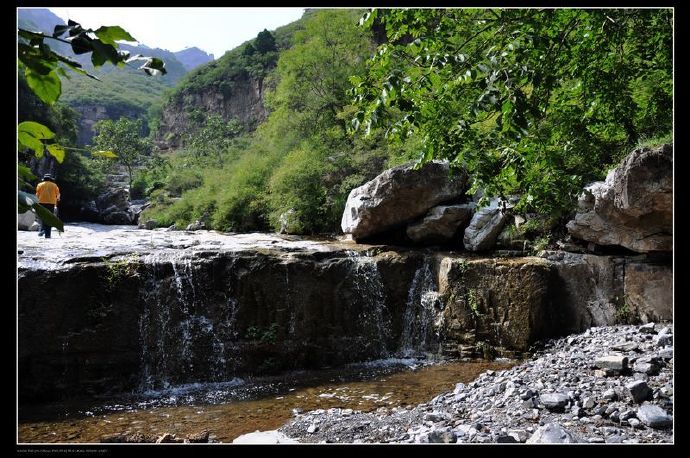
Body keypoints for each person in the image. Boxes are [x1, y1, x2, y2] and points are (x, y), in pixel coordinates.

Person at [35, 173, 60, 238]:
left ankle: (42, 229)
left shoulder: (39, 185)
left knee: (43, 217)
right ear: (50, 179)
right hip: (51, 203)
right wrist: (58, 199)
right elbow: (58, 195)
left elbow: (37, 194)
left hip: (41, 203)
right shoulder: (54, 185)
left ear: (44, 179)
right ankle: (47, 235)